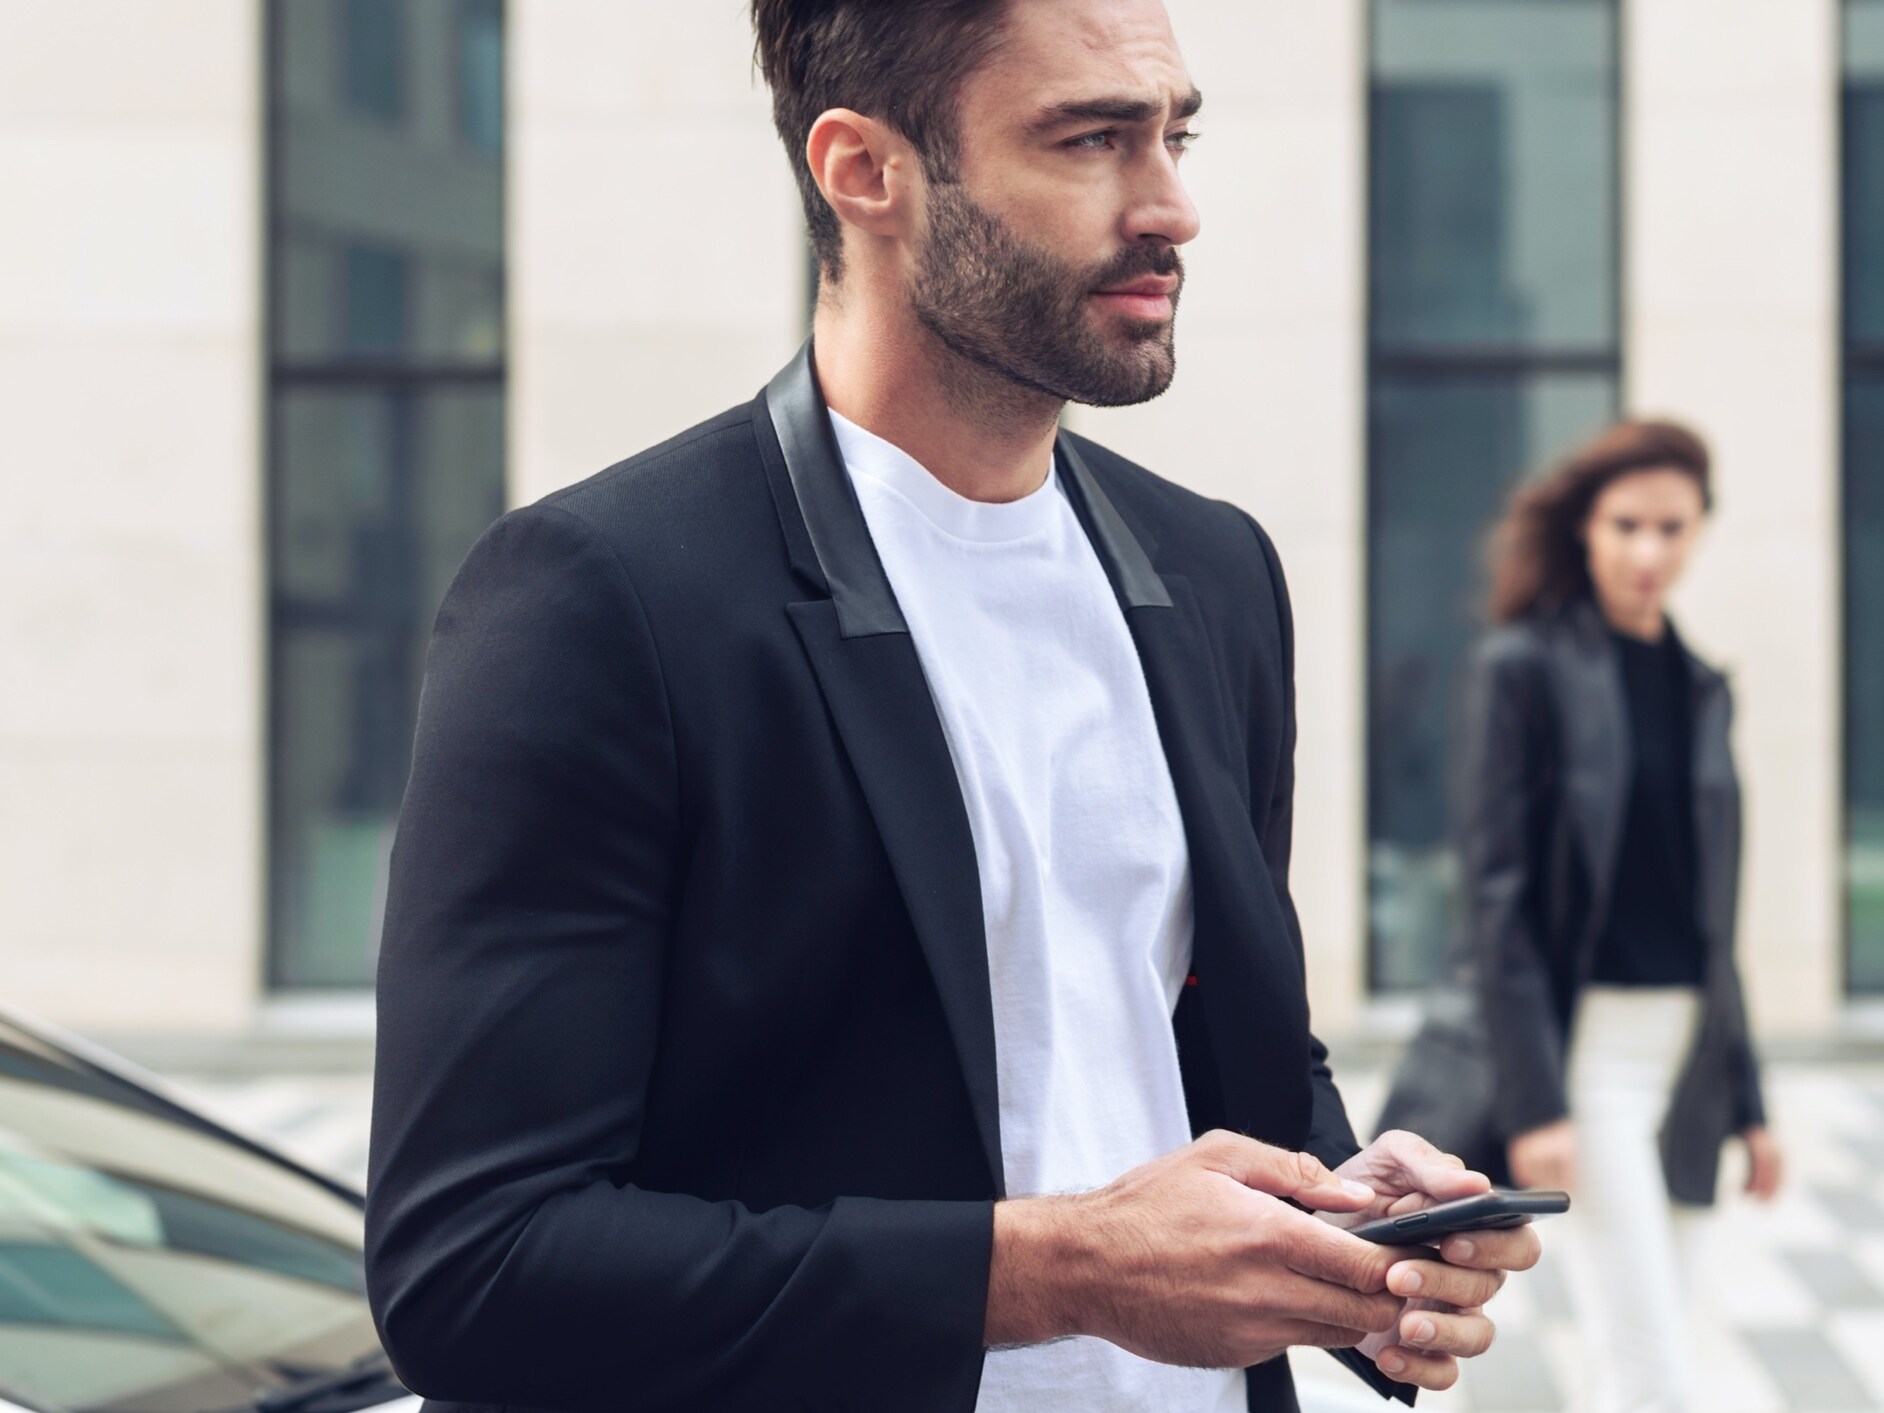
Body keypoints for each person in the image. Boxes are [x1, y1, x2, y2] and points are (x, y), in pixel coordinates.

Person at [365, 2, 1539, 1409]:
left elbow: (1207, 1055)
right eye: (1091, 139)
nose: (1172, 205)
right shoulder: (600, 602)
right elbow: (472, 1267)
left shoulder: (1213, 573)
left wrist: (1344, 1224)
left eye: (1174, 133)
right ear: (865, 170)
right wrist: (1063, 1269)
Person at [1377, 419, 1784, 1412]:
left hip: (1688, 1054)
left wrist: (1752, 1102)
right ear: (1586, 531)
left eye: (1672, 528)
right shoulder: (1521, 669)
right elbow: (1498, 896)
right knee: (1657, 1369)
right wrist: (1537, 1098)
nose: (1650, 551)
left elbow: (1710, 913)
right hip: (1587, 1059)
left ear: (1699, 534)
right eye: (1628, 525)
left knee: (1644, 1347)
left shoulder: (1698, 686)